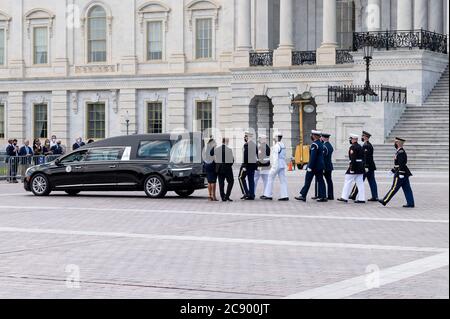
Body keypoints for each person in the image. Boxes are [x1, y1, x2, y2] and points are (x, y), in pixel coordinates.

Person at [379, 137, 415, 208]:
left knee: (394, 188)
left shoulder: (401, 152)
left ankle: (385, 200)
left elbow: (401, 164)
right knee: (407, 188)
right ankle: (410, 203)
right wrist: (392, 171)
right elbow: (397, 164)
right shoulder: (399, 151)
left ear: (398, 143)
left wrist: (401, 173)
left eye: (395, 142)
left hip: (400, 174)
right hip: (403, 173)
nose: (394, 144)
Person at [296, 130, 327, 202]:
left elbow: (313, 157)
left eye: (312, 135)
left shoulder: (314, 145)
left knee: (307, 181)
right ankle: (323, 196)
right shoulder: (321, 144)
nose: (311, 136)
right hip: (320, 166)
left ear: (314, 136)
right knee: (321, 181)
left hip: (314, 167)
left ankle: (303, 195)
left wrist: (309, 167)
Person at [349, 131, 379, 202]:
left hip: (367, 166)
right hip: (370, 166)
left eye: (362, 136)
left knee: (359, 180)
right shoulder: (368, 144)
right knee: (372, 181)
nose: (361, 137)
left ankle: (353, 194)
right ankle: (375, 196)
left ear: (365, 137)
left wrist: (365, 166)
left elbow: (366, 157)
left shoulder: (366, 145)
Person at [338, 134, 366, 204]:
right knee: (360, 183)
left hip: (354, 166)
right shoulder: (360, 146)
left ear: (354, 139)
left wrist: (352, 169)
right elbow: (363, 158)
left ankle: (344, 197)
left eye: (351, 139)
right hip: (360, 167)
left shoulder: (353, 147)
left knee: (347, 181)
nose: (350, 141)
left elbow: (353, 159)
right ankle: (361, 198)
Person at [262, 132, 289, 201]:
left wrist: (273, 167)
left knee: (270, 178)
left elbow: (275, 158)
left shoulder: (276, 146)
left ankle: (268, 195)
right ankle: (285, 195)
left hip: (277, 164)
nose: (273, 139)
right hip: (282, 164)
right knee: (283, 180)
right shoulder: (283, 145)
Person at [239, 131, 258, 200]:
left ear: (247, 137)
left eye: (245, 137)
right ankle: (251, 195)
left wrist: (244, 166)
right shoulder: (254, 144)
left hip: (247, 165)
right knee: (251, 180)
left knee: (240, 178)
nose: (245, 138)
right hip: (252, 165)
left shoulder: (246, 145)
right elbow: (256, 155)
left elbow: (245, 156)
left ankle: (246, 193)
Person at [315, 133, 334, 200]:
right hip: (329, 166)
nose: (321, 138)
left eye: (322, 137)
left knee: (320, 180)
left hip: (324, 166)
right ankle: (330, 195)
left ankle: (321, 195)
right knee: (329, 181)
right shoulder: (330, 145)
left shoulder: (324, 146)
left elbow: (322, 157)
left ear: (324, 138)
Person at [214, 137, 235, 202]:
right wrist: (228, 166)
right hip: (227, 168)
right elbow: (232, 160)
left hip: (219, 168)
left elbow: (215, 159)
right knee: (231, 181)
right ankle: (227, 196)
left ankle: (223, 197)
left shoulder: (217, 149)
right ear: (227, 141)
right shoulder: (229, 150)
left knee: (221, 183)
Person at [203, 137, 218, 202]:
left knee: (209, 181)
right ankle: (213, 196)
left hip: (207, 165)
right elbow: (215, 158)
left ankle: (209, 195)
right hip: (212, 165)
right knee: (213, 181)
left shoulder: (206, 148)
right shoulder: (213, 149)